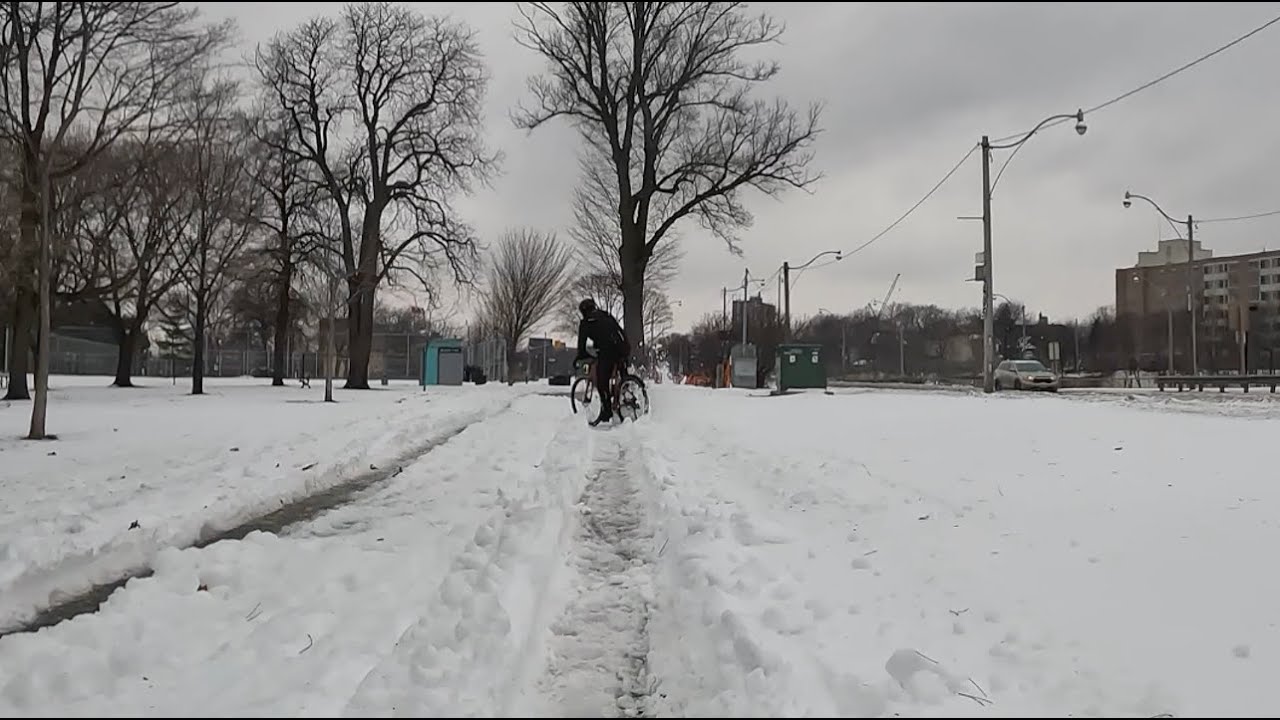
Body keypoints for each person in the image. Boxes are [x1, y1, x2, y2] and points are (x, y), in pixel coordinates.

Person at [575, 298, 630, 426]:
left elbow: (581, 347)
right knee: (622, 375)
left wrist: (582, 356)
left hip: (608, 351)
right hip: (623, 347)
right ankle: (627, 390)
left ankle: (607, 412)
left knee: (602, 382)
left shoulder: (586, 322)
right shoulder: (606, 315)